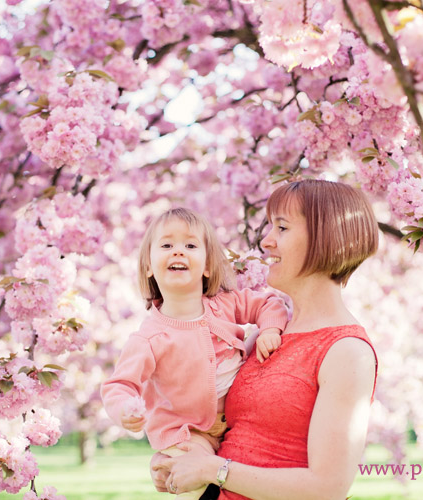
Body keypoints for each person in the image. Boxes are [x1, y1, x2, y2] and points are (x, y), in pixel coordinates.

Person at [151, 179, 379, 500]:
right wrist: (182, 457)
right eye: (270, 227)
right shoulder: (268, 332)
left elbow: (328, 487)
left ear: (327, 237)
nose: (266, 241)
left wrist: (211, 469)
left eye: (282, 228)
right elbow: (234, 433)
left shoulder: (347, 352)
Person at [101, 207, 289, 499]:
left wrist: (269, 330)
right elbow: (119, 385)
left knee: (251, 341)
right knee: (193, 480)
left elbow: (268, 304)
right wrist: (125, 409)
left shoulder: (224, 304)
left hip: (237, 422)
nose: (178, 252)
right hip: (188, 433)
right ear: (149, 266)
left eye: (190, 245)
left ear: (208, 267)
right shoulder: (150, 337)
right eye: (166, 245)